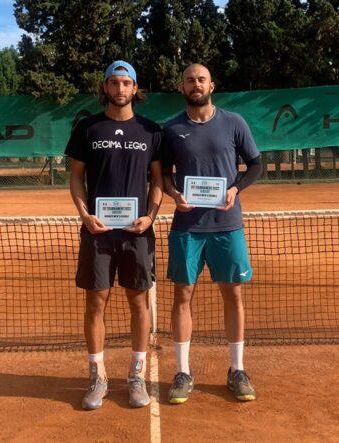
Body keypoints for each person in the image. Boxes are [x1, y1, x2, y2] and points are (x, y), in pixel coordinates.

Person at [161, 63, 263, 404]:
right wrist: (174, 195)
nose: (196, 84)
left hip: (227, 226)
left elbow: (256, 165)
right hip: (187, 228)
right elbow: (162, 174)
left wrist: (236, 190)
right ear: (182, 86)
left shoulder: (234, 123)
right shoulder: (171, 128)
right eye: (189, 79)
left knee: (232, 296)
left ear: (212, 85)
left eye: (201, 79)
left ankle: (237, 369)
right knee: (182, 297)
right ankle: (183, 372)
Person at [65, 60, 163, 410]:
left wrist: (150, 217)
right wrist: (85, 215)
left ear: (135, 88)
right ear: (104, 88)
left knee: (139, 303)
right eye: (113, 83)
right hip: (98, 233)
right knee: (96, 302)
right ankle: (98, 377)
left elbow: (158, 181)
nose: (120, 89)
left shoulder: (152, 131)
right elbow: (76, 176)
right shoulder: (87, 128)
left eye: (126, 83)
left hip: (137, 234)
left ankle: (136, 376)